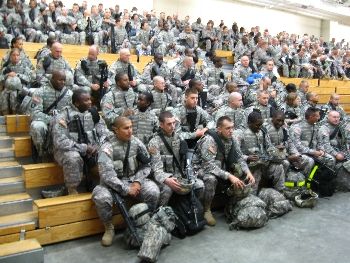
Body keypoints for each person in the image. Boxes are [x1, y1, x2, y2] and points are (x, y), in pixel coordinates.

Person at [92, 116, 160, 246]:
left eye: (131, 127)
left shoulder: (136, 143)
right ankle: (109, 228)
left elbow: (147, 165)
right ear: (116, 130)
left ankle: (146, 222)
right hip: (111, 184)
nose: (130, 131)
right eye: (126, 128)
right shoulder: (106, 148)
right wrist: (126, 189)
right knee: (101, 197)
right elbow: (106, 175)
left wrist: (138, 181)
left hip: (133, 179)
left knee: (153, 191)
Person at [193, 116, 254, 225]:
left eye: (232, 128)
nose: (231, 131)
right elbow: (208, 165)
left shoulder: (233, 139)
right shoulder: (209, 140)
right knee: (210, 179)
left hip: (220, 166)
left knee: (240, 171)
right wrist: (229, 176)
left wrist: (248, 173)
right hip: (200, 168)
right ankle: (207, 210)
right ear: (219, 129)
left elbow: (239, 158)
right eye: (227, 128)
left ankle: (233, 203)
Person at [52, 89, 109, 194]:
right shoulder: (63, 116)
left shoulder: (93, 113)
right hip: (67, 150)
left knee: (108, 151)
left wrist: (99, 146)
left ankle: (108, 183)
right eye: (86, 100)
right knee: (73, 157)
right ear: (77, 103)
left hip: (92, 149)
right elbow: (60, 141)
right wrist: (84, 148)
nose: (90, 102)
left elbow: (104, 133)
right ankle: (71, 189)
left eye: (90, 99)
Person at [148, 111, 204, 206]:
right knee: (167, 189)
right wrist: (167, 179)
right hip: (164, 177)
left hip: (180, 176)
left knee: (200, 185)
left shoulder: (180, 138)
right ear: (161, 125)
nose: (173, 126)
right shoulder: (154, 142)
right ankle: (160, 212)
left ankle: (190, 209)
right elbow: (156, 170)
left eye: (174, 123)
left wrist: (190, 174)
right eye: (169, 124)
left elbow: (187, 161)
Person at [234, 111, 285, 194]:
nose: (259, 127)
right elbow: (235, 154)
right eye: (257, 125)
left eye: (261, 124)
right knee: (256, 170)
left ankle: (279, 193)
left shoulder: (262, 131)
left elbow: (269, 146)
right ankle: (252, 196)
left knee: (279, 166)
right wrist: (247, 157)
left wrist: (276, 150)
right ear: (249, 123)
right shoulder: (240, 134)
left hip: (262, 162)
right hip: (248, 165)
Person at [30, 70, 73, 159]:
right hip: (45, 121)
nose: (63, 82)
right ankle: (42, 154)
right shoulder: (40, 92)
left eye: (64, 80)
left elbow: (72, 112)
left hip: (63, 122)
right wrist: (52, 120)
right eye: (60, 80)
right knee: (37, 126)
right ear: (52, 79)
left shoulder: (69, 94)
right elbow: (35, 113)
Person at [317, 111, 350, 191]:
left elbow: (344, 141)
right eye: (334, 117)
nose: (336, 119)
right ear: (328, 117)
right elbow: (325, 145)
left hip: (339, 150)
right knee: (332, 159)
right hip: (324, 151)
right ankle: (330, 182)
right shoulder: (324, 128)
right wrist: (336, 154)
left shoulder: (340, 127)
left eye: (338, 117)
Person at [0, 48, 33, 115]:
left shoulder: (24, 67)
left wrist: (18, 75)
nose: (15, 57)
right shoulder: (6, 67)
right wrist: (7, 75)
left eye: (17, 55)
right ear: (10, 56)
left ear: (19, 56)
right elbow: (1, 78)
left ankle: (15, 115)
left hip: (21, 89)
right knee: (4, 94)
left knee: (14, 93)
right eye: (13, 55)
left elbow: (29, 79)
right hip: (7, 89)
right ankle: (6, 116)